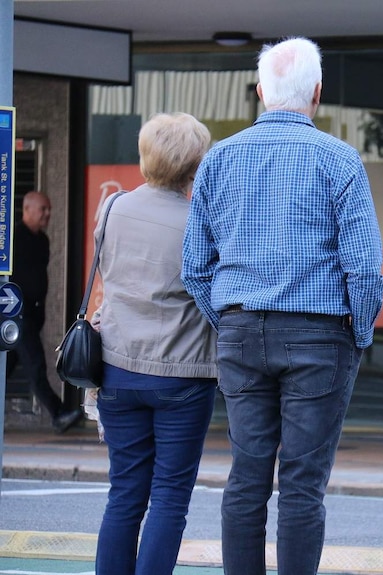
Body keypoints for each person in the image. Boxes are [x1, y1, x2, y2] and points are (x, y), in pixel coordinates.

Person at [182, 36, 383, 575]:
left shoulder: (219, 159)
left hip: (241, 330)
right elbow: (363, 268)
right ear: (317, 92)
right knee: (302, 482)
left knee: (247, 475)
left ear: (259, 92)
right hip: (321, 335)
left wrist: (227, 320)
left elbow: (195, 266)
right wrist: (358, 331)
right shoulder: (340, 160)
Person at [93, 112, 218, 575]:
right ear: (193, 165)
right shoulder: (201, 223)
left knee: (124, 492)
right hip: (182, 375)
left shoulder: (112, 209)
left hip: (116, 367)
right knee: (169, 495)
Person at [8, 190, 83, 433]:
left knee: (7, 366)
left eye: (49, 209)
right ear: (27, 210)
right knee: (35, 364)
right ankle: (58, 413)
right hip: (16, 315)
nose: (48, 214)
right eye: (43, 209)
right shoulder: (12, 238)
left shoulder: (42, 240)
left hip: (33, 313)